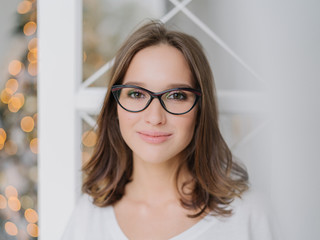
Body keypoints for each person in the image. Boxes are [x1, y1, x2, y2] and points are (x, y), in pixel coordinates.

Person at [62, 20, 275, 240]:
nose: (155, 118)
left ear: (200, 110)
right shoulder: (88, 217)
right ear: (114, 107)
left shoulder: (249, 215)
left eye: (176, 96)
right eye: (136, 94)